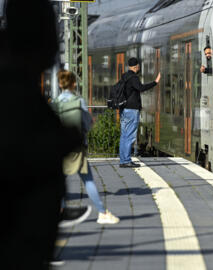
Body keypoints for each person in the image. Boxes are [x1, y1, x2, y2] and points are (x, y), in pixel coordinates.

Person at [0, 0, 83, 268]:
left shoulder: (20, 84)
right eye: (50, 33)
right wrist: (60, 141)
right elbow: (17, 154)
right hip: (18, 246)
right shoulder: (15, 90)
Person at [56, 70, 120, 225]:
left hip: (60, 148)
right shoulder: (78, 101)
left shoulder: (56, 102)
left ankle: (60, 212)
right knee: (88, 181)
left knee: (58, 182)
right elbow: (87, 124)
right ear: (73, 84)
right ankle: (102, 213)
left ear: (59, 84)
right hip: (77, 148)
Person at [119, 57, 161, 168]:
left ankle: (123, 160)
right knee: (129, 136)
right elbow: (141, 88)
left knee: (124, 135)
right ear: (136, 66)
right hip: (132, 110)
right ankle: (126, 160)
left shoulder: (124, 76)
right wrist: (155, 82)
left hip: (123, 109)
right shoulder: (134, 78)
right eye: (138, 66)